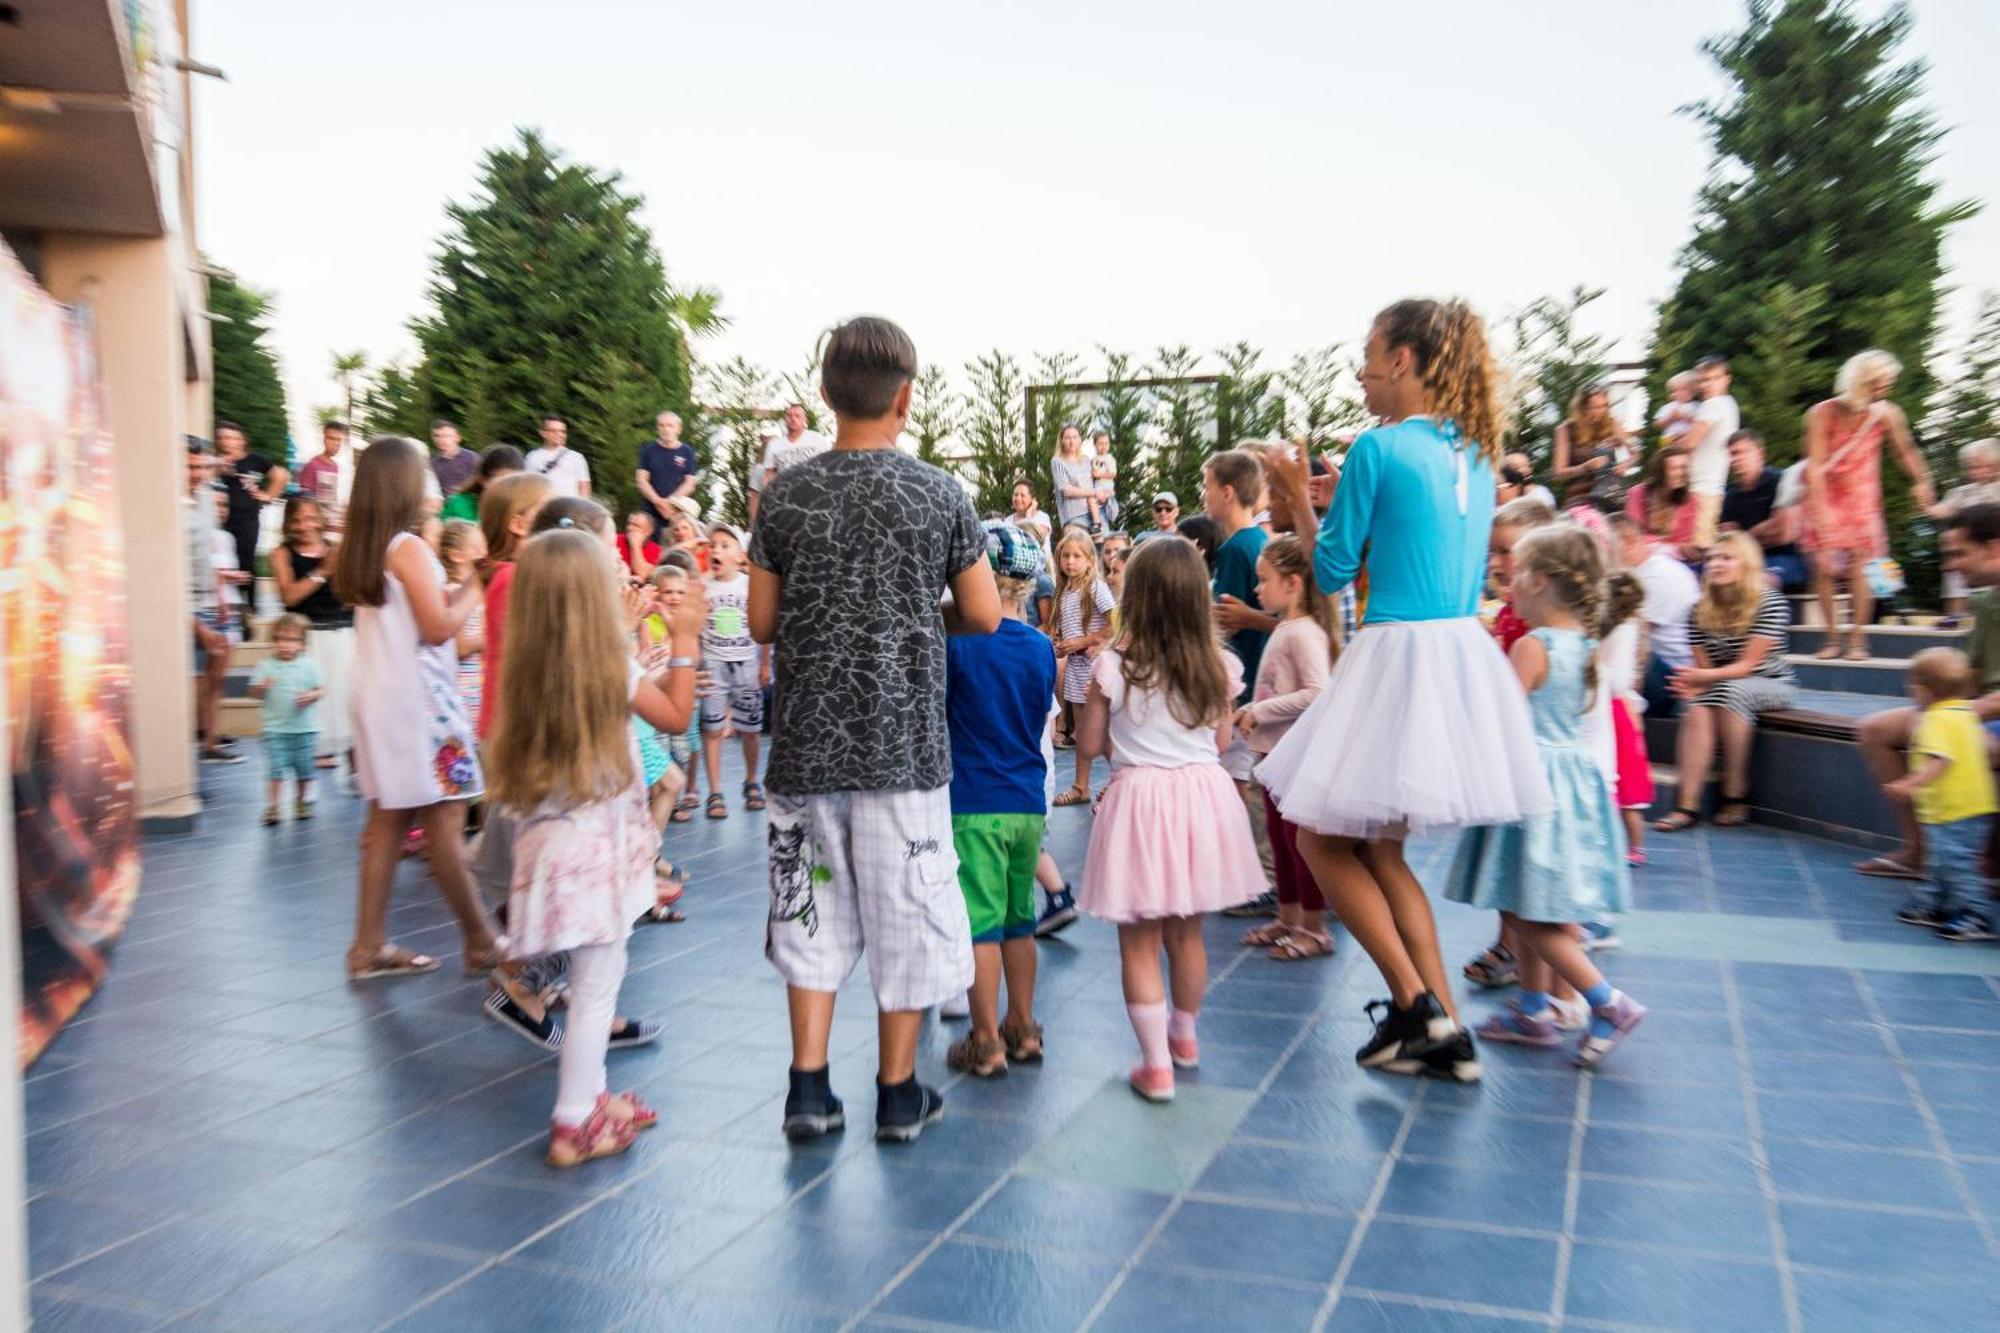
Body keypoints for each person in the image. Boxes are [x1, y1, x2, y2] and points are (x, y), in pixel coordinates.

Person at [1259, 297, 1550, 1083]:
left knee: (1321, 837)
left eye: (1369, 353)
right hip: (1458, 655)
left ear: (1406, 362)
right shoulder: (1479, 453)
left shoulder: (1377, 451)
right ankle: (1441, 1026)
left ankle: (1417, 1002)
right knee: (1382, 850)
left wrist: (1292, 494)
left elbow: (1326, 572)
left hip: (1394, 653)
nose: (1361, 369)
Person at [747, 316, 1000, 1144]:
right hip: (905, 749)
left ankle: (808, 1090)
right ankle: (898, 1091)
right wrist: (909, 620)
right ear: (905, 398)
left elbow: (759, 620)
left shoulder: (786, 494)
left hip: (808, 746)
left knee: (809, 914)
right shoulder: (937, 493)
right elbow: (985, 615)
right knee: (908, 916)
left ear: (824, 395)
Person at [486, 527, 700, 1166]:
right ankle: (573, 1122)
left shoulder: (534, 664)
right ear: (588, 597)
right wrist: (685, 637)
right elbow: (674, 715)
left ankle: (594, 1094)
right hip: (597, 853)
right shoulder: (607, 662)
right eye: (611, 572)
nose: (624, 579)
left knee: (587, 982)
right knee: (597, 990)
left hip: (554, 848)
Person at [1445, 524, 1646, 1067]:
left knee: (1533, 917)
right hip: (1569, 781)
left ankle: (1609, 1002)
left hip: (1534, 782)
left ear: (1535, 581)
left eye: (1512, 575)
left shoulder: (1534, 646)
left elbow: (1500, 716)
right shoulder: (1583, 645)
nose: (1505, 582)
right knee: (1525, 897)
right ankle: (1533, 1009)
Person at [1077, 539, 1265, 1101]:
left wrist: (1122, 743)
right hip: (1204, 799)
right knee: (1188, 934)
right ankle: (1184, 1038)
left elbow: (1088, 742)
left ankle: (1155, 1064)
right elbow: (1224, 740)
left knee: (1138, 942)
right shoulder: (1220, 667)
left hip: (1140, 800)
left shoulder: (1112, 666)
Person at [330, 437, 502, 982]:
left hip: (381, 695)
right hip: (420, 702)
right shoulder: (407, 547)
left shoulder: (365, 546)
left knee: (385, 821)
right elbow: (437, 629)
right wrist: (479, 582)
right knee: (447, 820)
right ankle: (480, 940)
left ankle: (367, 946)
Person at [943, 524, 1058, 1077]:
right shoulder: (1040, 648)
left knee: (979, 923)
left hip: (973, 799)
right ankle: (1023, 1025)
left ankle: (985, 1038)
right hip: (1026, 800)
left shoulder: (960, 643)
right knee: (1020, 918)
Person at [1856, 504, 2000, 880]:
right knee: (1875, 730)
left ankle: (1974, 859)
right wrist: (1934, 700)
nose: (1949, 565)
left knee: (1947, 739)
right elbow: (1971, 674)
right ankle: (1920, 850)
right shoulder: (1985, 602)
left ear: (1994, 548)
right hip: (1978, 713)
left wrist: (1953, 717)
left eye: (1958, 553)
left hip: (1987, 718)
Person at [1234, 534, 1336, 960]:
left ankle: (1314, 927)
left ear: (1292, 583)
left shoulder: (1304, 632)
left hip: (1295, 757)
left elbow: (1318, 691)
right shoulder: (1287, 629)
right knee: (1280, 838)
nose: (1258, 590)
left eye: (1264, 580)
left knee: (1298, 843)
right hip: (1276, 757)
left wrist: (1262, 709)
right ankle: (1289, 917)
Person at [1653, 533, 1797, 833]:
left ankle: (1735, 793)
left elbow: (1747, 666)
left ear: (1747, 564)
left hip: (1769, 680)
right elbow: (1705, 666)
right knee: (1697, 706)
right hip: (1722, 683)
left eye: (1726, 558)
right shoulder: (1699, 609)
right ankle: (1686, 805)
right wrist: (1695, 684)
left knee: (1730, 691)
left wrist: (1702, 679)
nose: (1716, 564)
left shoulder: (1770, 602)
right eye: (1713, 558)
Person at [1802, 349, 1937, 660]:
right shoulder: (1821, 413)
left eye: (1887, 384)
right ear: (1860, 382)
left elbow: (1906, 451)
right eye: (1878, 383)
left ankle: (1858, 639)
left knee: (1863, 568)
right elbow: (1816, 465)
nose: (1884, 390)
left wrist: (1922, 480)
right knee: (1823, 569)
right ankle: (1833, 639)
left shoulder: (1887, 413)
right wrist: (1821, 514)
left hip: (1862, 498)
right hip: (1825, 496)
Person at [1205, 448, 1278, 906]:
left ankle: (1259, 879)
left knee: (1241, 784)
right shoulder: (1259, 544)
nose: (1203, 495)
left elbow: (1225, 625)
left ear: (1227, 492)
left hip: (1243, 685)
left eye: (1207, 486)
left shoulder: (1236, 549)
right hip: (1257, 682)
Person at [1886, 648, 1997, 941]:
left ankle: (1976, 914)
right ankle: (1934, 903)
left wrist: (1909, 784)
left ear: (1922, 691)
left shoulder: (1934, 720)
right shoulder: (1966, 714)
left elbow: (1941, 760)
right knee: (1942, 859)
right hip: (1974, 806)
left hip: (1953, 807)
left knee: (1957, 863)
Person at [271, 495, 356, 778]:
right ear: (288, 524)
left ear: (320, 519)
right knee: (310, 698)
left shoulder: (337, 549)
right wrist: (322, 572)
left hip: (342, 631)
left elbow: (351, 594)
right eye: (296, 519)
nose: (304, 525)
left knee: (346, 697)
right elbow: (290, 596)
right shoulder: (282, 554)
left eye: (310, 517)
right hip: (308, 637)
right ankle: (309, 757)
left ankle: (353, 759)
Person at [476, 473, 558, 745]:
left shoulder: (520, 574)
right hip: (515, 729)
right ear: (519, 524)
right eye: (550, 512)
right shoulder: (512, 578)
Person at [699, 522, 766, 819]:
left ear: (740, 555)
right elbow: (695, 627)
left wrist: (765, 663)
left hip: (746, 664)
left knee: (750, 729)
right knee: (712, 728)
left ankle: (751, 781)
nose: (716, 550)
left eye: (725, 545)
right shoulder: (702, 586)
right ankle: (715, 791)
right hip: (713, 664)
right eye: (712, 544)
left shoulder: (750, 585)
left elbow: (764, 626)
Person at [1609, 511, 1700, 718]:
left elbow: (1628, 632)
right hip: (1652, 666)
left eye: (1607, 546)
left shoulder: (1662, 574)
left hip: (1672, 675)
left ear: (1630, 542)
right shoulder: (1633, 572)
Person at [1047, 529, 1115, 802]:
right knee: (1081, 731)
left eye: (1077, 556)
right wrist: (1061, 641)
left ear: (1089, 560)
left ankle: (1120, 780)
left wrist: (1081, 642)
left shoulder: (1095, 588)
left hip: (1095, 668)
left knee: (1104, 731)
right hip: (1076, 668)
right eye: (1066, 555)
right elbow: (1068, 629)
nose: (1070, 561)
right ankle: (1081, 786)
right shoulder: (1064, 591)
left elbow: (1115, 625)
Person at [1598, 567, 1653, 866]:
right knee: (1620, 787)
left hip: (1614, 709)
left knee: (1625, 787)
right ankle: (1628, 844)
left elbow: (1618, 678)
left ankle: (1635, 845)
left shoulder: (1622, 629)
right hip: (1614, 707)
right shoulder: (1622, 627)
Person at [248, 613, 324, 826]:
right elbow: (253, 693)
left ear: (302, 644)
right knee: (275, 770)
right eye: (280, 639)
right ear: (273, 641)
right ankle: (273, 806)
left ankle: (300, 801)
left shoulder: (310, 665)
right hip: (275, 729)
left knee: (305, 770)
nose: (285, 645)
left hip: (305, 729)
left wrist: (311, 696)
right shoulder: (265, 666)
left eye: (292, 640)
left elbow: (321, 690)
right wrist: (260, 688)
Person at [1720, 430, 1806, 592]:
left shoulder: (1781, 481)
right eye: (1731, 454)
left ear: (1759, 453)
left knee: (1758, 580)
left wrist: (1744, 536)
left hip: (1787, 558)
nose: (1735, 459)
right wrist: (1764, 530)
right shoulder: (1730, 495)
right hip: (1746, 559)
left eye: (1741, 452)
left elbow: (1783, 533)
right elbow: (1728, 539)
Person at [214, 419, 290, 586]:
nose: (226, 441)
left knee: (246, 562)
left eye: (231, 437)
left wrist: (268, 495)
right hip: (221, 520)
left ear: (242, 440)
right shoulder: (215, 461)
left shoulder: (255, 460)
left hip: (247, 520)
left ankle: (249, 605)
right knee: (223, 560)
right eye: (222, 437)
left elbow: (281, 475)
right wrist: (219, 467)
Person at [1929, 439, 2000, 617]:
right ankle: (1956, 617)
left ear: (1995, 466)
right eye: (1969, 468)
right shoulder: (1962, 492)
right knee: (1956, 568)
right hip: (1968, 545)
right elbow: (1942, 510)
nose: (1972, 472)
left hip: (1990, 547)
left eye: (1978, 467)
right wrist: (1928, 506)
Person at [1677, 355, 1740, 548]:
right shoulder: (1729, 404)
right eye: (1703, 380)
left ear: (1727, 379)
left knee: (1696, 548)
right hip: (1712, 487)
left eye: (1715, 378)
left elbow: (1689, 444)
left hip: (1700, 489)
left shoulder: (1713, 404)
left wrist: (1670, 448)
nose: (1708, 384)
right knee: (1702, 546)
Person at [438, 519, 488, 728]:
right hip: (466, 691)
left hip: (482, 686)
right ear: (456, 556)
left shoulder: (479, 593)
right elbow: (461, 646)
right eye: (477, 549)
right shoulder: (453, 592)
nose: (485, 554)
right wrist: (497, 638)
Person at [1552, 383, 1631, 510]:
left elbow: (1634, 453)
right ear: (1582, 408)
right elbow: (1558, 473)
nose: (1601, 411)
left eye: (1604, 406)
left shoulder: (1613, 424)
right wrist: (1585, 467)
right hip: (1580, 495)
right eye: (1595, 407)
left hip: (1611, 492)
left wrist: (1625, 464)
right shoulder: (1565, 430)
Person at [1625, 447, 1700, 561]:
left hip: (1672, 559)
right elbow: (1633, 533)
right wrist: (1662, 545)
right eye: (1674, 468)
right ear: (1660, 472)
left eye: (1684, 468)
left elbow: (1684, 541)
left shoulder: (1691, 500)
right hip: (1641, 554)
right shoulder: (1638, 493)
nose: (1680, 473)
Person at [635, 410, 698, 530]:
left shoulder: (687, 451)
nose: (665, 429)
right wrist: (658, 502)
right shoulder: (648, 450)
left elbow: (690, 483)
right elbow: (641, 481)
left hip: (677, 514)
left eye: (670, 425)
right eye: (661, 425)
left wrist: (670, 502)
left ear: (679, 429)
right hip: (650, 513)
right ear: (657, 428)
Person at [442, 443, 524, 524]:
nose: (508, 488)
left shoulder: (522, 512)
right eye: (501, 481)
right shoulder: (458, 505)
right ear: (483, 479)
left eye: (515, 482)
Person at [525, 415, 591, 498]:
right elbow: (528, 486)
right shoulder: (532, 457)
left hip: (569, 507)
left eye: (563, 431)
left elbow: (584, 486)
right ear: (542, 433)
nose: (559, 434)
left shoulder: (576, 457)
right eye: (553, 431)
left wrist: (582, 508)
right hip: (542, 507)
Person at [1050, 424, 1096, 532]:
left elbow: (1091, 486)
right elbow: (1067, 491)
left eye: (1075, 437)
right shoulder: (1057, 461)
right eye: (1068, 438)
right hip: (1074, 517)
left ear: (1080, 439)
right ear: (1062, 440)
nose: (1072, 441)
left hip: (1093, 514)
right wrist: (1093, 493)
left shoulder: (1086, 460)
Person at [297, 420, 346, 515]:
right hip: (315, 518)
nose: (336, 444)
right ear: (324, 439)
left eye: (339, 440)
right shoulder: (312, 464)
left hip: (329, 516)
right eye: (331, 439)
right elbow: (304, 498)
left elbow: (332, 496)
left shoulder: (335, 466)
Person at [430, 419, 479, 507]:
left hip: (470, 508)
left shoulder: (472, 458)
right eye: (437, 436)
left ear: (457, 438)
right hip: (445, 511)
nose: (441, 440)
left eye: (446, 436)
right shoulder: (432, 463)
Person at [1652, 370, 1700, 448]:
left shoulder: (1697, 406)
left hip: (1688, 439)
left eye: (1684, 389)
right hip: (1668, 439)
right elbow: (1657, 425)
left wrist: (1686, 417)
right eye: (1674, 391)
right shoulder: (1668, 407)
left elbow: (1700, 422)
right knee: (1666, 449)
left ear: (1693, 392)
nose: (1679, 393)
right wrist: (1671, 418)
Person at [617, 510, 662, 580]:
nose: (630, 528)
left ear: (648, 531)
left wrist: (635, 546)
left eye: (636, 526)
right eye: (629, 524)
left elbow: (642, 573)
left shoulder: (656, 550)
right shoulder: (615, 540)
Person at [1090, 429, 1120, 531]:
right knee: (1093, 502)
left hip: (1106, 487)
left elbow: (1113, 474)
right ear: (1095, 444)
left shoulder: (1110, 459)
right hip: (1097, 488)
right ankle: (1097, 523)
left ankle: (1099, 524)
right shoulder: (1094, 459)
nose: (1104, 447)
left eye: (1106, 444)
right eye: (1101, 444)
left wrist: (1100, 475)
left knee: (1103, 506)